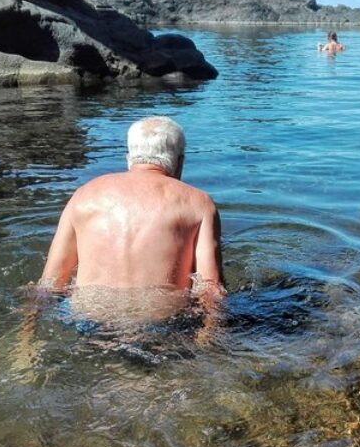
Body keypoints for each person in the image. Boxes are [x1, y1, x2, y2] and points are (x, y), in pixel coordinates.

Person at [39, 116, 224, 327]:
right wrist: (207, 341)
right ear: (179, 161)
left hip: (88, 322)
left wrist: (26, 336)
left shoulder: (83, 196)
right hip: (163, 325)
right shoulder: (198, 203)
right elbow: (211, 289)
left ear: (129, 158)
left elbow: (51, 283)